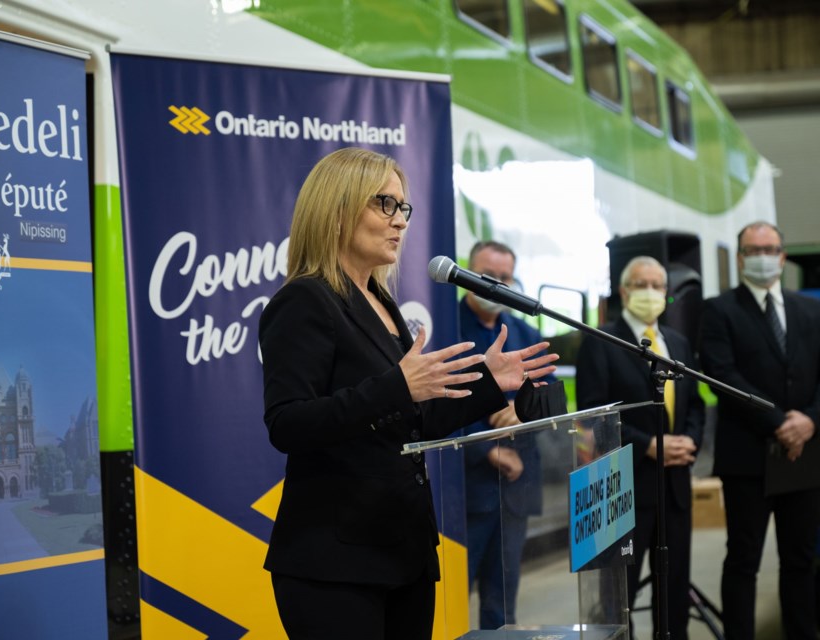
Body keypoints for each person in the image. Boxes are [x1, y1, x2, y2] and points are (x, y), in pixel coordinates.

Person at [257, 147, 559, 640]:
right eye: (385, 205)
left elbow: (410, 421)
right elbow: (288, 423)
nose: (400, 221)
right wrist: (397, 384)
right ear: (336, 210)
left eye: (404, 208)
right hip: (336, 564)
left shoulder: (381, 302)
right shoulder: (304, 301)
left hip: (403, 552)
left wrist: (491, 384)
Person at [698, 221, 820, 640]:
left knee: (800, 559)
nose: (763, 256)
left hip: (805, 452)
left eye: (771, 249)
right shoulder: (719, 309)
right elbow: (722, 376)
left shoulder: (811, 310)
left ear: (782, 256)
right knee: (743, 560)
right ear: (741, 258)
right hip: (748, 455)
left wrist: (810, 421)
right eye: (753, 250)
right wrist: (781, 422)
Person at [575, 256, 705, 640]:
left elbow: (694, 404)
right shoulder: (601, 341)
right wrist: (650, 445)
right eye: (641, 284)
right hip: (622, 491)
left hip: (674, 489)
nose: (650, 292)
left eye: (657, 285)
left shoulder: (677, 343)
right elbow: (592, 417)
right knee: (619, 597)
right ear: (624, 291)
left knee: (675, 590)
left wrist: (690, 440)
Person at [458, 240, 561, 630]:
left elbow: (553, 397)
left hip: (516, 490)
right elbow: (434, 401)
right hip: (465, 490)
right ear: (468, 273)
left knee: (502, 605)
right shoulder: (446, 326)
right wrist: (485, 450)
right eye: (487, 276)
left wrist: (522, 410)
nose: (496, 285)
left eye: (505, 277)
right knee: (452, 594)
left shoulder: (525, 332)